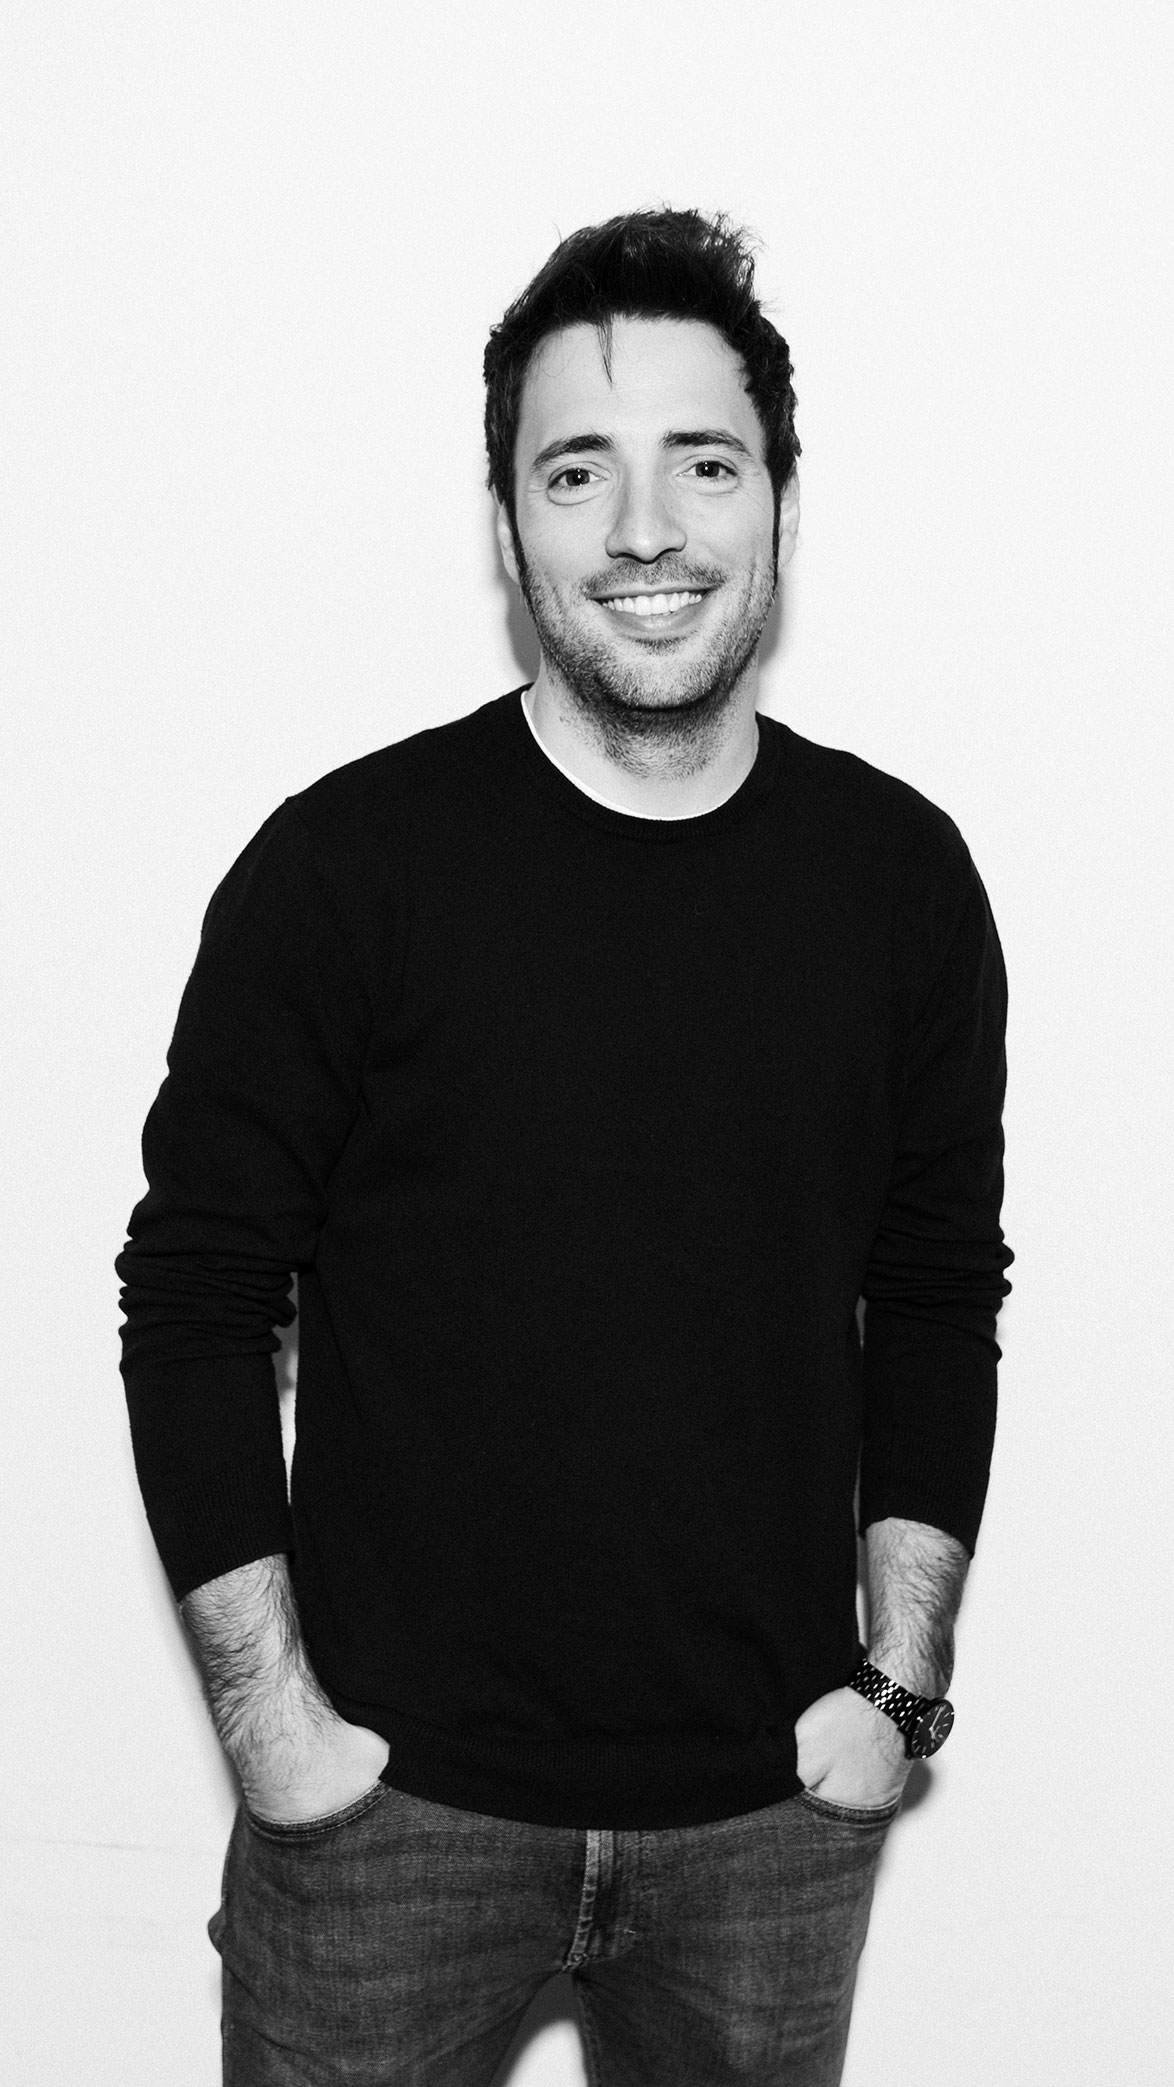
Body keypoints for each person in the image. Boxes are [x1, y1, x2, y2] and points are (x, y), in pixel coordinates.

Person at [118, 208, 1012, 2086]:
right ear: (507, 520)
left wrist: (896, 1689)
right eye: (576, 469)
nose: (644, 529)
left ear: (779, 498)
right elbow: (194, 1301)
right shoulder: (344, 873)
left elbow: (934, 1297)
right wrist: (282, 1746)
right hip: (390, 1823)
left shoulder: (898, 884)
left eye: (705, 462)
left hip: (768, 1825)